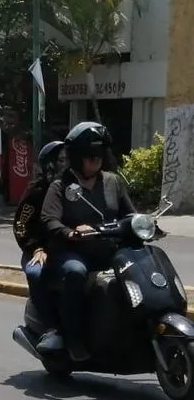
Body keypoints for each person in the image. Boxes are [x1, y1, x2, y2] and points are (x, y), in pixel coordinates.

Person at [40, 122, 136, 362]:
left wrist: (144, 224)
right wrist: (69, 232)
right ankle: (74, 338)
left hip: (109, 248)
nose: (95, 161)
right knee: (76, 272)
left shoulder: (113, 182)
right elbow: (48, 218)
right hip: (73, 251)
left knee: (141, 264)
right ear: (76, 158)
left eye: (99, 155)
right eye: (89, 156)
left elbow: (130, 214)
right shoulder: (60, 187)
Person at [14, 140, 67, 353]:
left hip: (68, 247)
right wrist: (36, 247)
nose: (66, 165)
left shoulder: (74, 188)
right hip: (40, 251)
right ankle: (50, 328)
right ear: (49, 164)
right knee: (36, 273)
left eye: (69, 160)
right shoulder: (36, 192)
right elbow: (20, 225)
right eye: (61, 160)